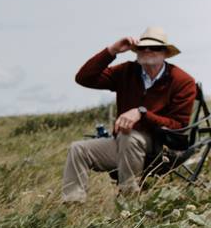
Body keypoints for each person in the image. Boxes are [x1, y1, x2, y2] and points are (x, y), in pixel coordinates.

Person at [62, 27, 196, 203]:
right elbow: (84, 78)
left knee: (130, 136)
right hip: (123, 143)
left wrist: (142, 114)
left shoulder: (182, 80)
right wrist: (112, 51)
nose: (147, 50)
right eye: (142, 47)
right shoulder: (126, 71)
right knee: (78, 149)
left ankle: (128, 202)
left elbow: (178, 126)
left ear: (165, 52)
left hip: (162, 146)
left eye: (154, 47)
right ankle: (73, 205)